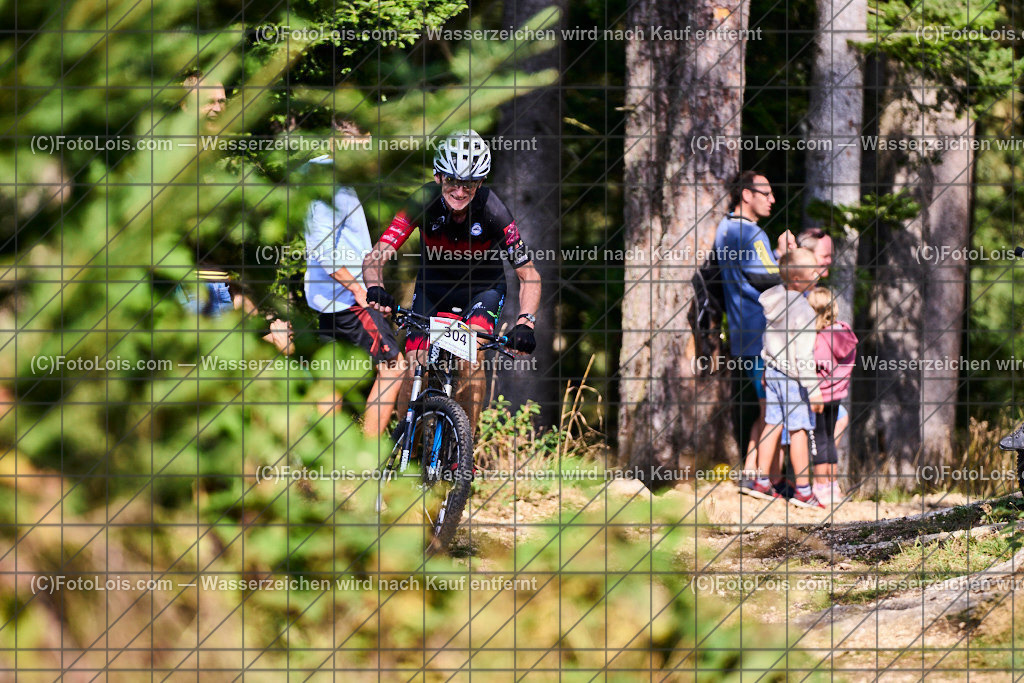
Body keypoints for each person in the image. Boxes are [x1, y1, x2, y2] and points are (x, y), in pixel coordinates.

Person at [362, 130, 541, 428]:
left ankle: (462, 458)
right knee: (415, 364)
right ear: (437, 178)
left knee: (471, 359)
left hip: (481, 291)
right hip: (434, 288)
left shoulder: (494, 210)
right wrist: (375, 287)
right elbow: (376, 255)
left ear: (480, 183)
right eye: (452, 181)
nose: (460, 191)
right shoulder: (422, 202)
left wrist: (526, 321)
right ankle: (409, 445)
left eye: (469, 183)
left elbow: (529, 273)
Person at [302, 155, 406, 437]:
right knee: (393, 368)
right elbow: (323, 251)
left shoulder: (315, 171)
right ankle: (366, 464)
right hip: (349, 299)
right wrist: (359, 290)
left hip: (328, 300)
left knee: (331, 382)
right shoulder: (330, 179)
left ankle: (322, 468)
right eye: (363, 143)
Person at [714, 171, 796, 492]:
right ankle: (765, 479)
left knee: (766, 407)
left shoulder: (725, 229)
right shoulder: (750, 233)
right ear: (746, 195)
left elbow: (753, 273)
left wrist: (775, 257)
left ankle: (754, 474)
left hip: (743, 334)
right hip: (763, 334)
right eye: (766, 193)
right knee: (773, 408)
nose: (772, 200)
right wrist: (788, 260)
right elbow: (765, 280)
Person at [745, 248, 825, 509]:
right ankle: (803, 490)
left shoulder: (775, 302)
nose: (818, 273)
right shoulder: (802, 309)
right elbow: (802, 355)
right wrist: (813, 389)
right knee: (799, 430)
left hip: (774, 372)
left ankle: (761, 481)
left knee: (772, 423)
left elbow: (768, 341)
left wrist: (767, 369)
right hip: (792, 377)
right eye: (813, 270)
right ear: (798, 281)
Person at [808, 286, 858, 505]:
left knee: (819, 441)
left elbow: (812, 364)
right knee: (829, 439)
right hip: (838, 394)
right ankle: (832, 487)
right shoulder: (844, 332)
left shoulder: (818, 339)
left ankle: (820, 488)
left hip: (819, 395)